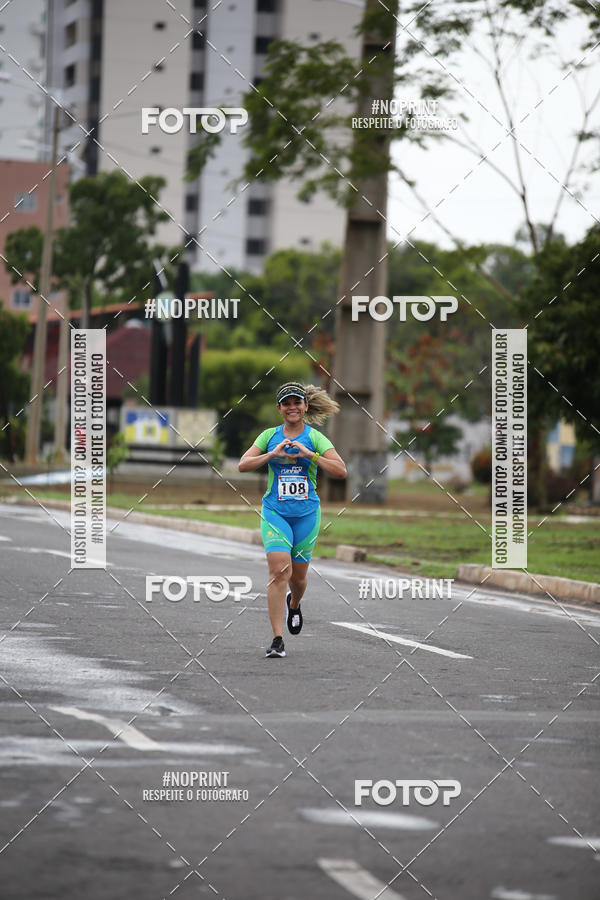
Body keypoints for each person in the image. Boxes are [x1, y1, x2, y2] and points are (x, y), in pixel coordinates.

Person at [238, 382, 347, 657]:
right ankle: (277, 639)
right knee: (278, 572)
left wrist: (309, 454)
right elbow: (243, 464)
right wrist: (272, 454)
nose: (292, 407)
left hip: (307, 515)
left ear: (305, 406)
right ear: (280, 409)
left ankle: (294, 604)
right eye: (286, 403)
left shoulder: (315, 438)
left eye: (297, 402)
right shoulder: (269, 436)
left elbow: (341, 470)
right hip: (275, 513)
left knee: (297, 578)